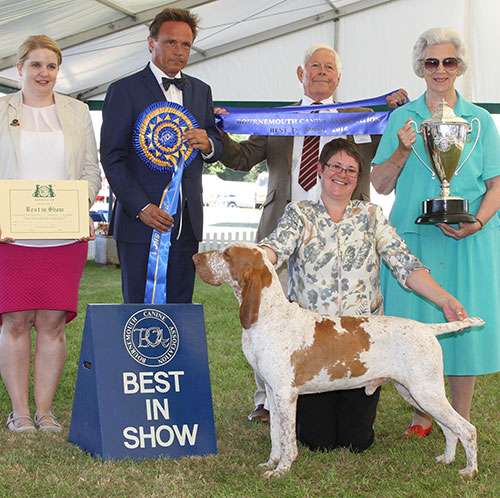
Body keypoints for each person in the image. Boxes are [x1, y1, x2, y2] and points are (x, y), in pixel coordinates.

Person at [218, 43, 407, 422]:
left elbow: (385, 158)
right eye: (314, 66)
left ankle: (339, 384)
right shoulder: (278, 119)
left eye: (329, 68)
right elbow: (239, 158)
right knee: (265, 318)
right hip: (282, 233)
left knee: (331, 318)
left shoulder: (361, 119)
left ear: (339, 78)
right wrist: (219, 129)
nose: (321, 72)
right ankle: (267, 401)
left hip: (341, 234)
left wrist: (397, 111)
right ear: (300, 74)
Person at [259, 138, 468, 452]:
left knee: (356, 442)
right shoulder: (298, 214)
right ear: (319, 170)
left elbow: (405, 265)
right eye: (336, 167)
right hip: (315, 346)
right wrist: (253, 257)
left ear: (358, 178)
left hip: (365, 345)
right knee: (318, 441)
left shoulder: (371, 215)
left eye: (351, 170)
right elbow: (274, 251)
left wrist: (445, 300)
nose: (342, 175)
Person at [371, 27, 500, 438]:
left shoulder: (480, 121)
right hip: (415, 240)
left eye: (448, 62)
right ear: (420, 68)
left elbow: (497, 185)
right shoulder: (400, 118)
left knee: (464, 327)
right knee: (414, 330)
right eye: (431, 62)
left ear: (459, 67)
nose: (440, 70)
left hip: (471, 240)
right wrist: (402, 149)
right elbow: (380, 183)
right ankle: (422, 416)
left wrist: (477, 221)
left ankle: (458, 416)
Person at [0, 35, 101, 432]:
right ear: (19, 68)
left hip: (63, 237)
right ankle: (20, 411)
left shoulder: (77, 112)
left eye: (51, 66)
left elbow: (91, 171)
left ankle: (45, 411)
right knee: (15, 322)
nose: (44, 73)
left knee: (53, 324)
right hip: (12, 238)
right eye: (36, 65)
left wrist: (81, 204)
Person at [100, 8, 223, 304]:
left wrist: (209, 145)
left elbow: (213, 140)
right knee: (138, 311)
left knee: (180, 309)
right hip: (141, 222)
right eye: (170, 42)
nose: (179, 51)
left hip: (187, 224)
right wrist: (141, 205)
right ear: (151, 42)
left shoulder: (201, 91)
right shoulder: (123, 90)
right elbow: (112, 157)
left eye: (186, 45)